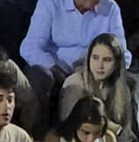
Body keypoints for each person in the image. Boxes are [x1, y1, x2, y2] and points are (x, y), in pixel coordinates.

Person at [20, 0, 127, 131]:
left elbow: (122, 53)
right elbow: (30, 47)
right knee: (41, 76)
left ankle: (124, 139)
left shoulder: (110, 7)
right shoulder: (50, 4)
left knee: (128, 81)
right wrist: (54, 67)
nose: (99, 3)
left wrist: (101, 67)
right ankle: (37, 137)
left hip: (92, 71)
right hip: (56, 70)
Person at [57, 34, 135, 142]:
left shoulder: (122, 89)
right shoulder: (75, 84)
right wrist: (114, 128)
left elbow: (126, 130)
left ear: (117, 63)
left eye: (107, 60)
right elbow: (68, 124)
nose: (100, 66)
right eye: (95, 58)